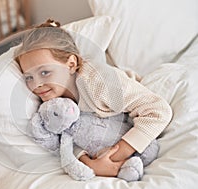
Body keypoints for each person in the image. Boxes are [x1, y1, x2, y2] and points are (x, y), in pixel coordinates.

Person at [14, 19, 172, 177]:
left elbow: (158, 110)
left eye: (44, 73)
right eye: (29, 77)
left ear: (70, 65)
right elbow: (69, 136)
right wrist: (88, 162)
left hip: (131, 95)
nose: (36, 85)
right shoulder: (54, 103)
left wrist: (116, 155)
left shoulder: (100, 85)